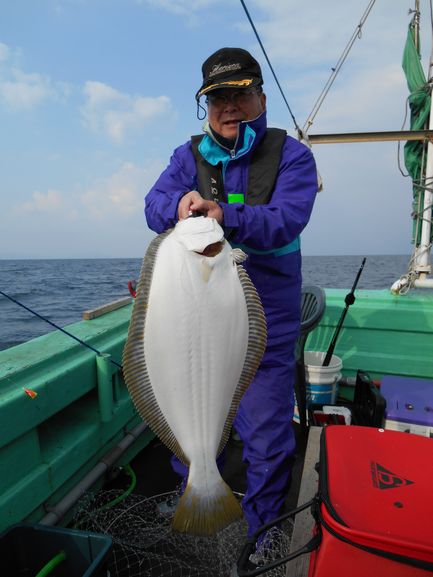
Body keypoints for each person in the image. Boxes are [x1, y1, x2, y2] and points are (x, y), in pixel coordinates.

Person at [144, 47, 318, 540]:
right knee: (193, 416)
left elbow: (288, 217)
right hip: (197, 326)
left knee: (266, 436)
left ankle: (261, 535)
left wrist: (226, 216)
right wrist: (181, 202)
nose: (229, 106)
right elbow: (154, 204)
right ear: (207, 106)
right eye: (219, 97)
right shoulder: (188, 155)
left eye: (241, 94)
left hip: (266, 324)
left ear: (261, 96)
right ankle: (194, 501)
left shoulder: (292, 155)